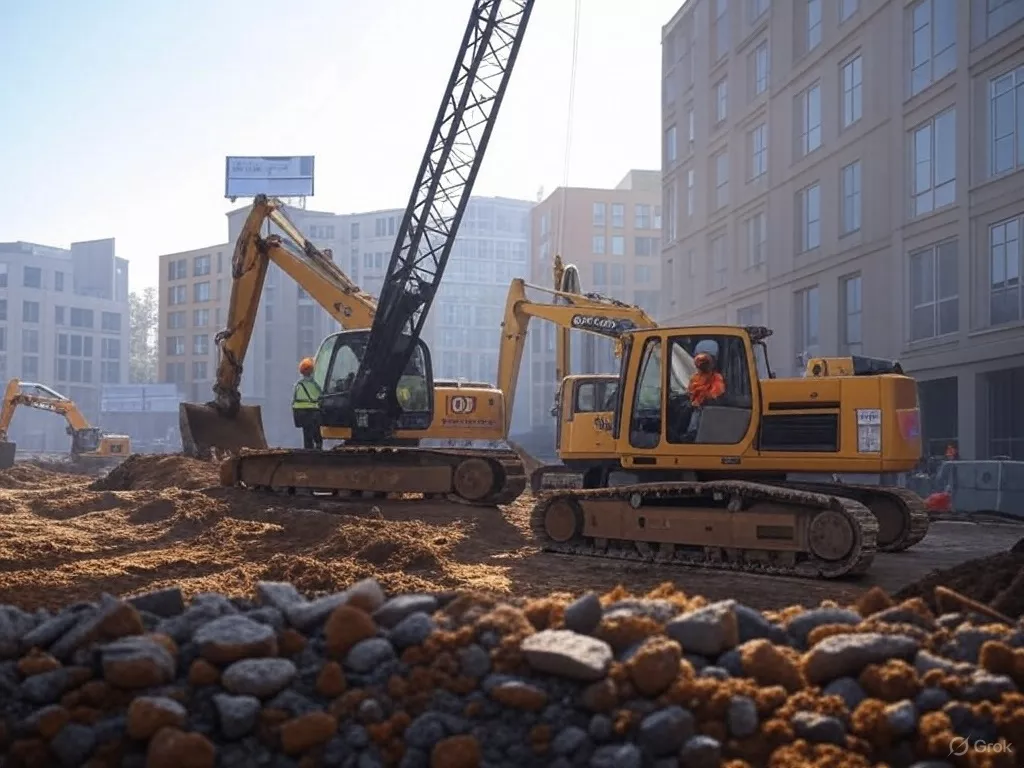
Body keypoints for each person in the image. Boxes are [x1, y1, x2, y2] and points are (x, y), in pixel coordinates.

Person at [682, 340, 726, 442]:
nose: (702, 364)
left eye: (706, 361)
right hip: (696, 408)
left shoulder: (716, 378)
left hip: (707, 410)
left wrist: (704, 396)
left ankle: (691, 433)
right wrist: (691, 398)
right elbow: (690, 392)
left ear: (713, 362)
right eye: (699, 361)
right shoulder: (695, 377)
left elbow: (716, 393)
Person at [292, 357, 323, 450]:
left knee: (306, 432)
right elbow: (320, 396)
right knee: (316, 431)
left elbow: (294, 399)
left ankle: (308, 450)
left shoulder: (298, 385)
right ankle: (318, 446)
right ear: (312, 371)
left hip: (300, 412)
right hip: (313, 411)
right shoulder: (315, 385)